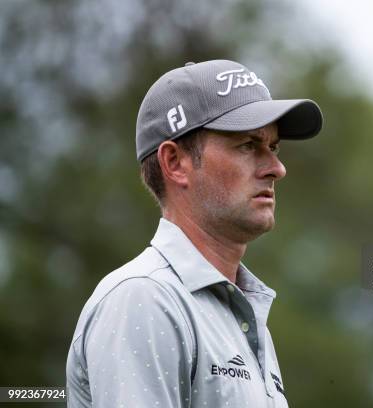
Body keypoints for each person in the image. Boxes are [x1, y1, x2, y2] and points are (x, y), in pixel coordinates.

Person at [66, 59, 323, 407]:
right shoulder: (145, 299)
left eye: (273, 147)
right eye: (248, 144)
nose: (277, 168)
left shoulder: (241, 316)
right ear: (175, 163)